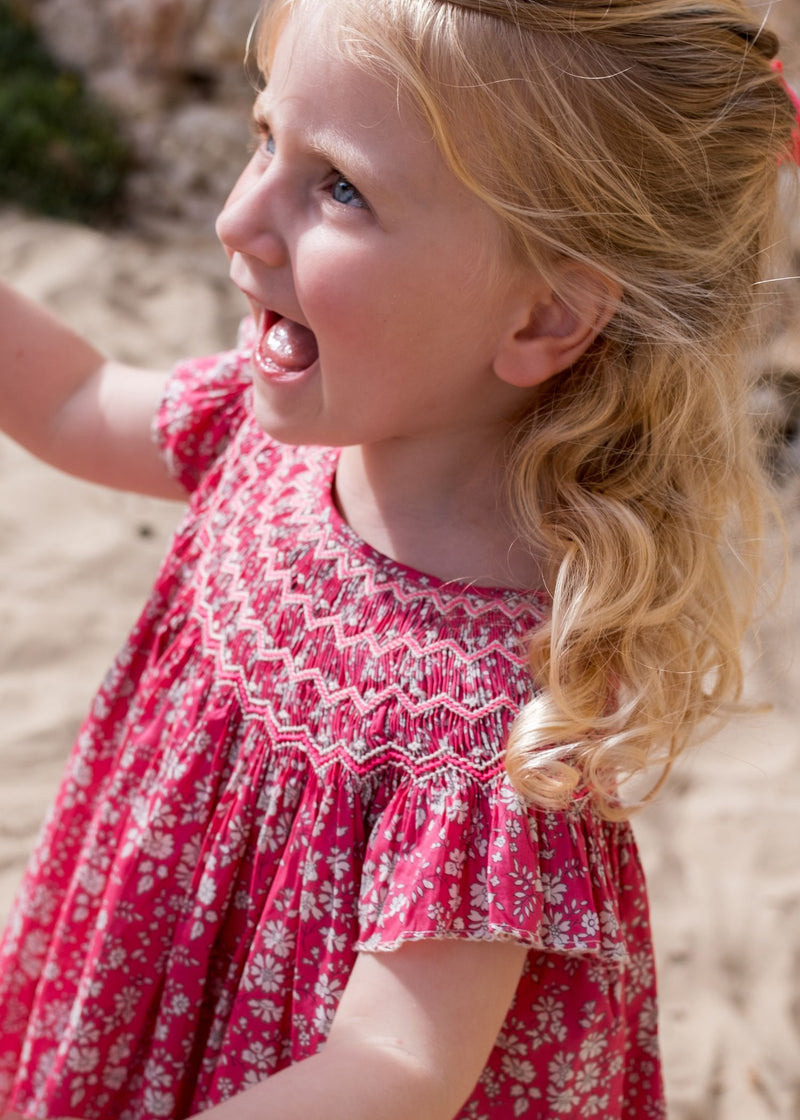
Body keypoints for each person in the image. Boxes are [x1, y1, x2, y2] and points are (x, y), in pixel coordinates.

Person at [0, 0, 797, 1117]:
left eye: (339, 187)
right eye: (264, 136)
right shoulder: (267, 436)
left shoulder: (500, 720)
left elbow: (394, 1069)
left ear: (545, 315)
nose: (240, 218)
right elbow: (79, 401)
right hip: (141, 1002)